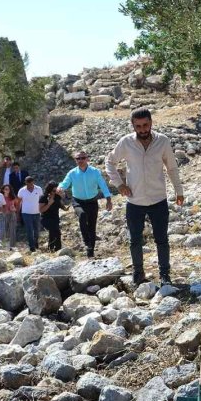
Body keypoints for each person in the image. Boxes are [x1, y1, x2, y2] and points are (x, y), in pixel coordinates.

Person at [106, 108, 184, 285]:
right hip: (135, 201)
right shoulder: (125, 143)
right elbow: (110, 163)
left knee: (162, 239)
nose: (142, 129)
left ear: (151, 123)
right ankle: (138, 274)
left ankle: (165, 275)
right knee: (135, 240)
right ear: (133, 126)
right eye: (138, 126)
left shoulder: (163, 141)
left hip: (158, 199)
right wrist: (119, 184)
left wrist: (179, 191)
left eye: (145, 125)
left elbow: (171, 167)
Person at [56, 150, 114, 257]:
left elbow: (103, 185)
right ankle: (86, 241)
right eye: (78, 158)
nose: (81, 160)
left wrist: (108, 199)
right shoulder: (72, 173)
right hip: (78, 201)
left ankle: (90, 251)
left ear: (87, 159)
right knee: (82, 215)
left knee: (92, 226)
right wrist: (60, 188)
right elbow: (65, 183)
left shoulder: (95, 171)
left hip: (92, 201)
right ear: (75, 160)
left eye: (83, 158)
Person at [39, 181, 69, 252]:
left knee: (55, 233)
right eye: (54, 190)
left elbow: (61, 205)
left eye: (56, 190)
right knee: (55, 232)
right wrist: (49, 204)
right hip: (46, 218)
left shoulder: (57, 196)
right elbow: (41, 210)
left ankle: (53, 248)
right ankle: (56, 248)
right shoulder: (43, 197)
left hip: (55, 218)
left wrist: (65, 208)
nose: (55, 192)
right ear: (49, 189)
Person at [17, 177, 43, 252]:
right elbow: (19, 202)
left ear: (33, 182)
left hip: (37, 212)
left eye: (31, 183)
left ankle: (36, 243)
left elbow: (42, 200)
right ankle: (32, 246)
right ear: (26, 183)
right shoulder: (22, 191)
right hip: (26, 213)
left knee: (37, 230)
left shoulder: (39, 189)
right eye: (28, 184)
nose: (30, 185)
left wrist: (43, 210)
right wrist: (18, 214)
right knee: (29, 230)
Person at [1, 184, 19, 249]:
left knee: (12, 231)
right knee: (4, 231)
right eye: (6, 189)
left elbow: (17, 204)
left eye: (8, 189)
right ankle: (4, 246)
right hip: (4, 215)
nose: (7, 190)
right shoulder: (0, 197)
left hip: (12, 214)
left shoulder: (13, 197)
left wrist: (15, 209)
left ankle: (12, 246)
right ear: (3, 190)